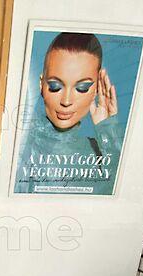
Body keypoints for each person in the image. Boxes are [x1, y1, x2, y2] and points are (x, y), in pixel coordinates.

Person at [14, 32, 124, 194]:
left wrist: (108, 130)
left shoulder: (102, 152)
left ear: (96, 90)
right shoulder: (19, 140)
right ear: (41, 85)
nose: (66, 101)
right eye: (55, 86)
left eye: (82, 88)